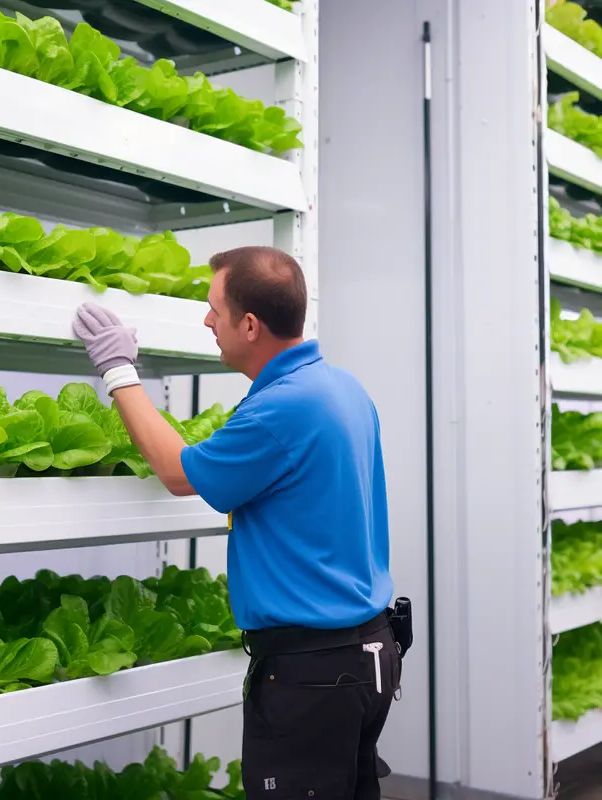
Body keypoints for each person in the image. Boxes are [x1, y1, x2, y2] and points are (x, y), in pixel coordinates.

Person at [73, 245, 398, 800]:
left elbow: (178, 473)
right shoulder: (342, 388)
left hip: (312, 672)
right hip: (369, 655)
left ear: (250, 325)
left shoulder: (283, 408)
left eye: (214, 310)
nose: (206, 321)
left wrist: (118, 371)